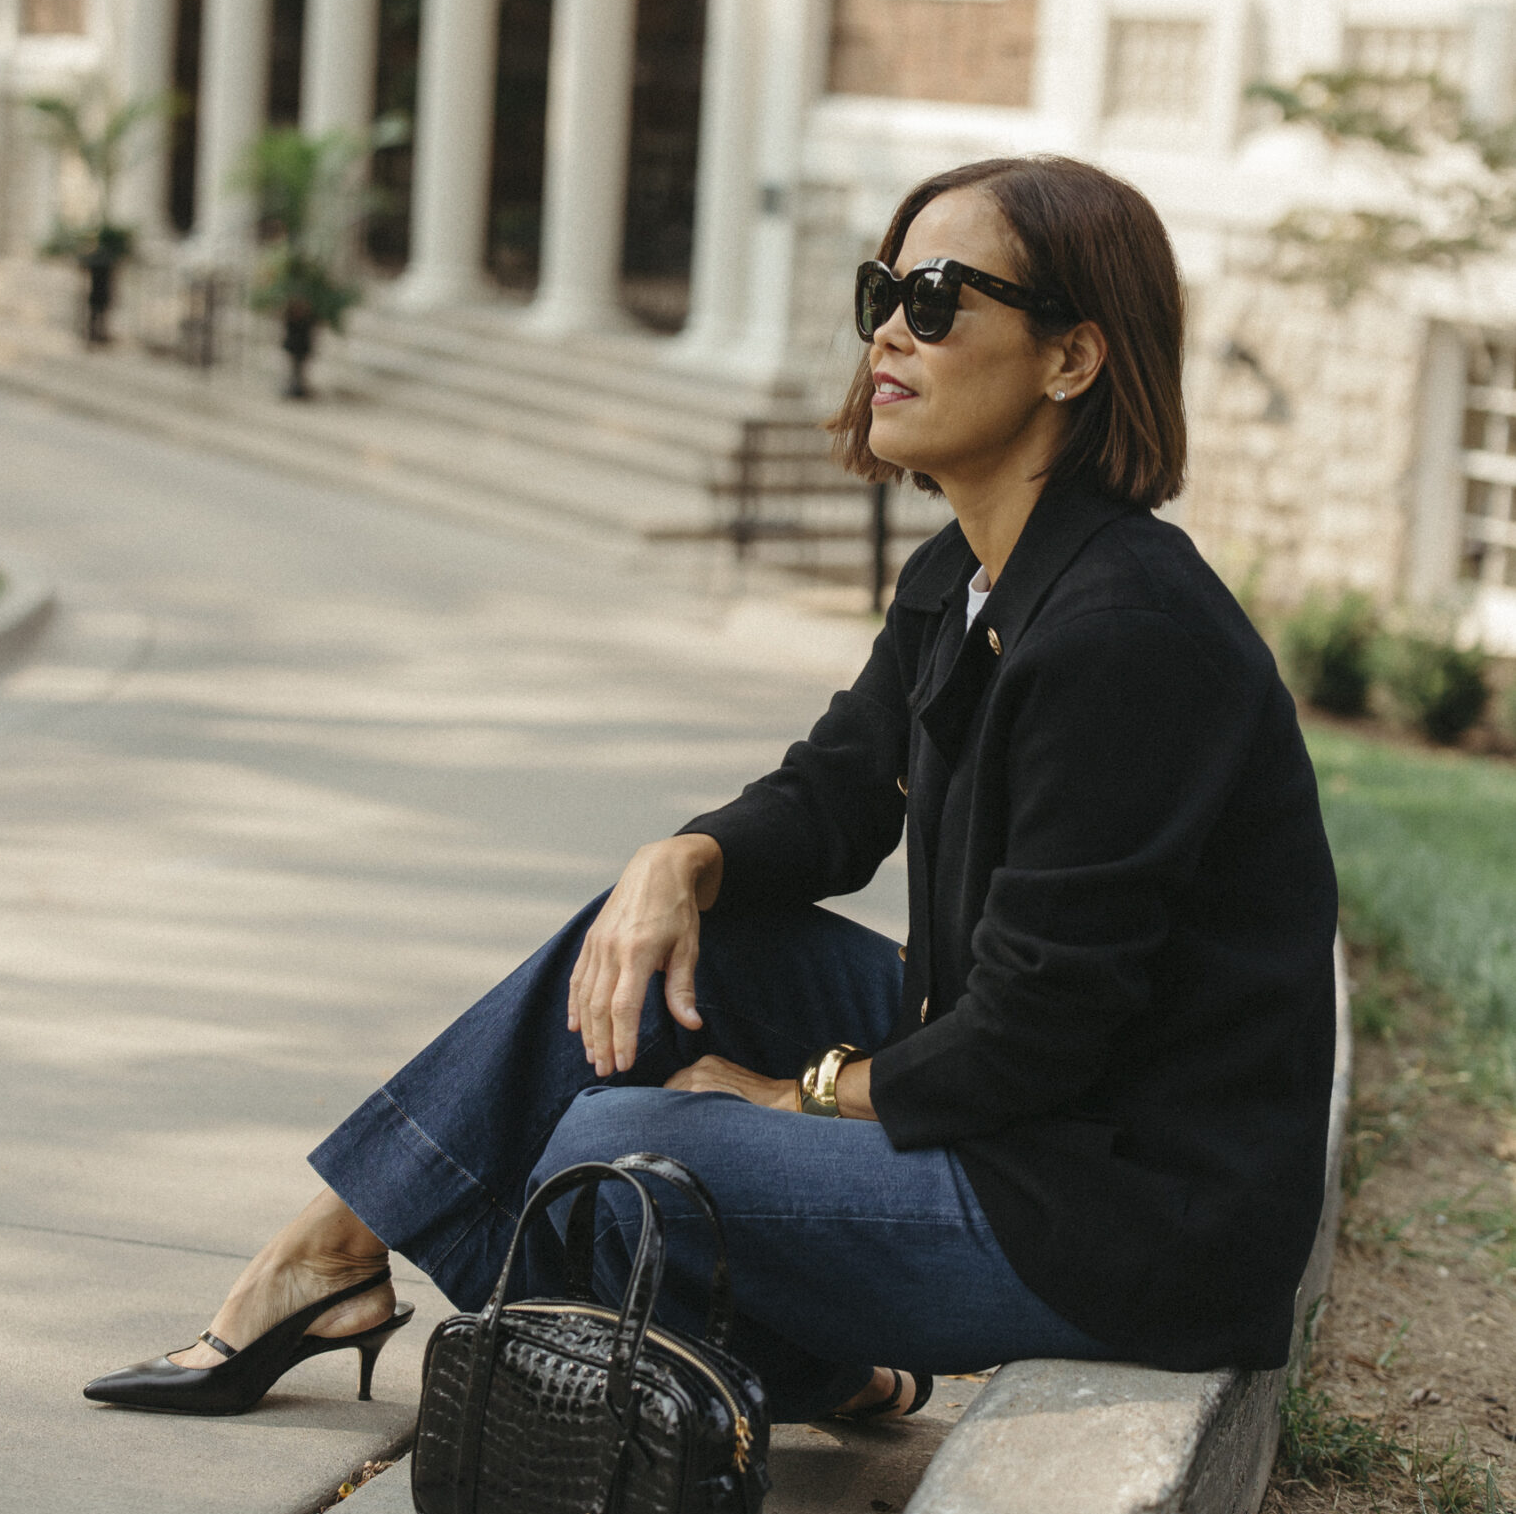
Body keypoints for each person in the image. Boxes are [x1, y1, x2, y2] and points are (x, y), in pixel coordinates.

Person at [85, 155, 1339, 1427]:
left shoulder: (1128, 635)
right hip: (1035, 1116)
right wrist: (677, 861)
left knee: (611, 1155)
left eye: (941, 298)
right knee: (666, 945)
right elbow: (839, 796)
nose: (891, 332)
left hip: (1122, 1215)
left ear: (1073, 359)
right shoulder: (966, 575)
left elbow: (1035, 1037)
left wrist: (784, 1092)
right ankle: (336, 1247)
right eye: (884, 294)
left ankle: (796, 1356)